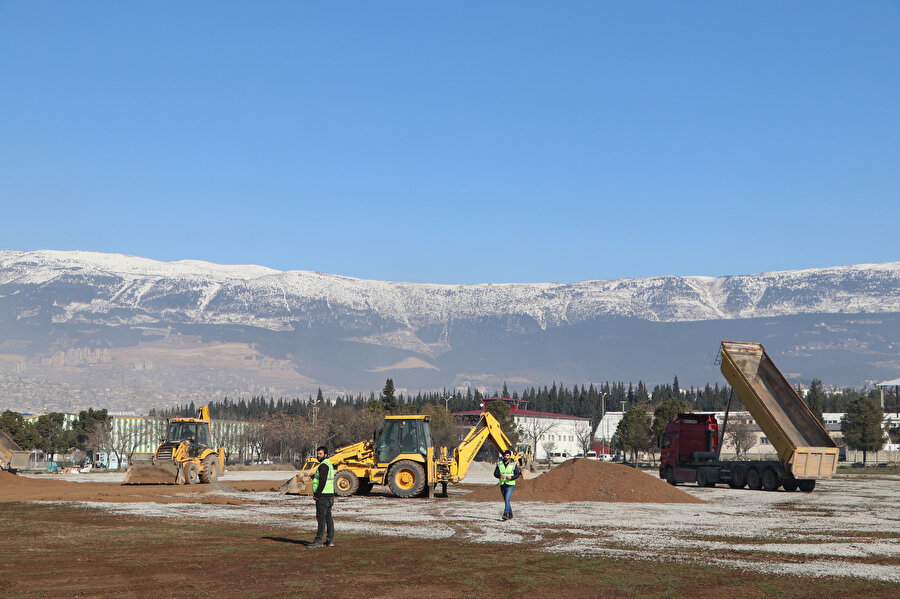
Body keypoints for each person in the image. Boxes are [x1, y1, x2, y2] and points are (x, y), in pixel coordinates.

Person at [308, 445, 335, 548]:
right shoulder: (329, 464)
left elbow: (323, 481)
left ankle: (318, 541)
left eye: (320, 454)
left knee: (321, 519)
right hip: (330, 496)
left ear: (326, 454)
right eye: (317, 453)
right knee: (328, 518)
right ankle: (330, 540)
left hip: (323, 497)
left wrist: (317, 495)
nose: (318, 455)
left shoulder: (323, 465)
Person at [493, 448, 521, 521]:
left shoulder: (513, 464)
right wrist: (499, 476)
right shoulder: (499, 464)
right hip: (502, 484)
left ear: (510, 456)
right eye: (505, 455)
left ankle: (505, 514)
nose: (506, 457)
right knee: (506, 500)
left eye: (508, 455)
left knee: (507, 498)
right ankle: (510, 514)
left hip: (510, 484)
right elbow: (495, 473)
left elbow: (517, 474)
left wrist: (511, 477)